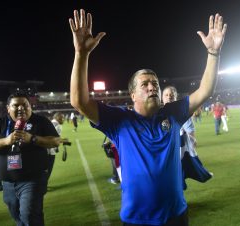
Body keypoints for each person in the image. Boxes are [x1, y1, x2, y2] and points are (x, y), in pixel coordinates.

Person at [69, 9, 227, 225]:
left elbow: (204, 91)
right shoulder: (118, 121)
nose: (153, 87)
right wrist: (81, 54)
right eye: (145, 84)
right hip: (137, 220)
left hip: (176, 217)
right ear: (133, 94)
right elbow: (79, 101)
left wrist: (213, 53)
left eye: (155, 83)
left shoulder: (173, 113)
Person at [0, 91, 61, 226]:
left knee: (29, 215)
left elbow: (55, 141)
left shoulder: (40, 121)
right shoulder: (0, 122)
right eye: (16, 105)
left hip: (33, 180)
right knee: (17, 217)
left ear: (31, 106)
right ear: (8, 108)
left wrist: (32, 138)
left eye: (25, 105)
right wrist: (5, 141)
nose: (21, 108)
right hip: (8, 183)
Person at [162, 86, 212, 190]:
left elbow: (192, 137)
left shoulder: (183, 114)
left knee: (176, 182)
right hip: (164, 156)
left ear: (176, 97)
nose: (169, 97)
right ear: (162, 98)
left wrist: (186, 140)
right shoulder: (158, 114)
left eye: (172, 95)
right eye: (166, 95)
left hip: (178, 156)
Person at [47, 112, 69, 182]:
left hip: (43, 150)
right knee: (48, 169)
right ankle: (43, 185)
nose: (64, 119)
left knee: (43, 169)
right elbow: (54, 139)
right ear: (58, 118)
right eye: (62, 118)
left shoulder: (49, 123)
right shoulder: (58, 126)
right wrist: (64, 140)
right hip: (49, 151)